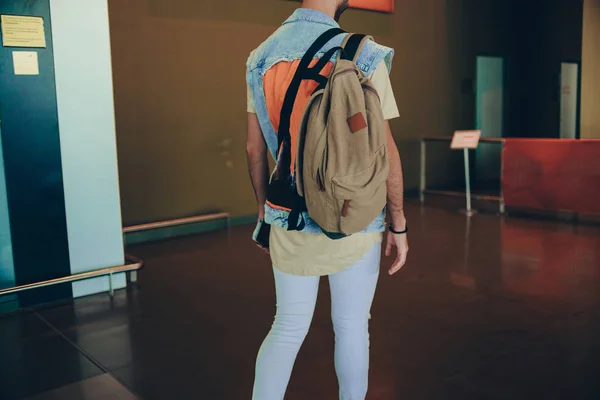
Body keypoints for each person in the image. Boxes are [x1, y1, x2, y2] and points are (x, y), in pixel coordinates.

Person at [245, 1, 408, 398]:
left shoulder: (260, 55)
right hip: (356, 214)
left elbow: (254, 150)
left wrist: (268, 217)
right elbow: (385, 153)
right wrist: (398, 223)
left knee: (286, 326)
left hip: (287, 214)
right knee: (352, 326)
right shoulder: (364, 53)